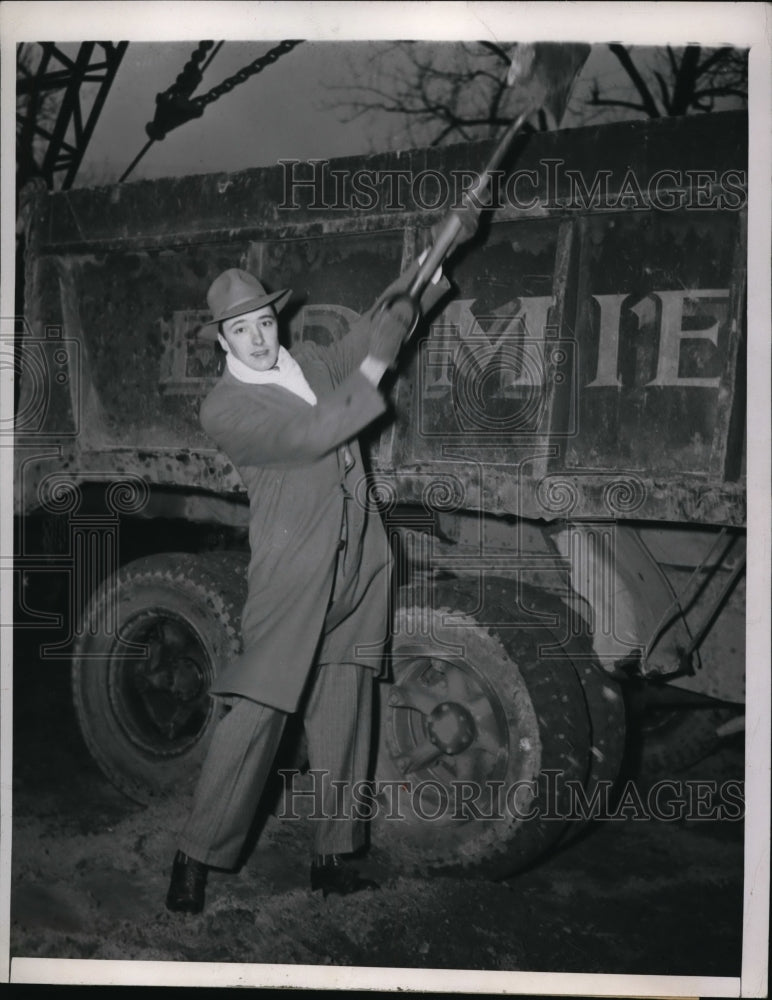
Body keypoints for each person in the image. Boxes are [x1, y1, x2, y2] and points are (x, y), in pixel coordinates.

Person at [165, 253, 451, 914]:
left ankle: (334, 856)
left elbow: (371, 330)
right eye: (242, 331)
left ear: (276, 319)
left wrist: (426, 274)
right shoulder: (225, 408)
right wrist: (380, 357)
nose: (259, 338)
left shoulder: (313, 363)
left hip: (356, 558)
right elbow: (318, 432)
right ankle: (196, 856)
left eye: (265, 321)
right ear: (222, 340)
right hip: (292, 572)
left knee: (345, 704)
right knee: (260, 710)